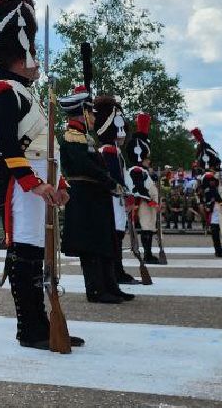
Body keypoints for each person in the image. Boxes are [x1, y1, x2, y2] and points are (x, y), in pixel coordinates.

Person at [0, 0, 78, 350]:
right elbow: (7, 147)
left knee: (39, 256)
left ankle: (41, 325)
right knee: (25, 257)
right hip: (24, 189)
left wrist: (59, 183)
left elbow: (46, 148)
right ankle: (30, 328)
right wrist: (34, 184)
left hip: (40, 186)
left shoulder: (27, 96)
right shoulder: (3, 93)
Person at [59, 86, 131, 303]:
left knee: (104, 242)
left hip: (94, 195)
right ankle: (97, 290)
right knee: (91, 246)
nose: (93, 118)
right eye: (90, 112)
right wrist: (109, 180)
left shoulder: (84, 138)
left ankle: (110, 285)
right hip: (84, 197)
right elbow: (86, 167)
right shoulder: (73, 137)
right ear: (83, 112)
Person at [94, 94, 138, 287]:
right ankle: (115, 272)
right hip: (112, 200)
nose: (121, 133)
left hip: (115, 200)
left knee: (117, 236)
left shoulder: (113, 151)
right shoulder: (109, 151)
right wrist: (126, 194)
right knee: (115, 237)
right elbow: (115, 179)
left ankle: (117, 271)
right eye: (118, 128)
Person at [192, 128, 222, 258]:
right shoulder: (209, 176)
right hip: (214, 203)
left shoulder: (205, 175)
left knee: (215, 224)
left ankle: (219, 249)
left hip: (212, 202)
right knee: (215, 224)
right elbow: (214, 191)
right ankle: (218, 250)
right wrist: (221, 203)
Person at [127, 114, 162, 264]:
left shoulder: (142, 170)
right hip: (143, 203)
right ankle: (147, 254)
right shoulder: (136, 170)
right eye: (147, 158)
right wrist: (152, 201)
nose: (149, 161)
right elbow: (139, 189)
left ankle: (148, 253)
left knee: (149, 227)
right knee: (147, 228)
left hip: (147, 203)